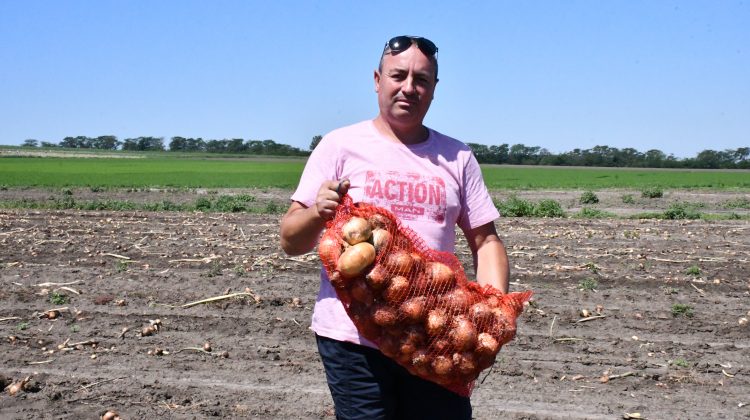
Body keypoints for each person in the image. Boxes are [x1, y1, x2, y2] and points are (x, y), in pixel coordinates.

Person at [279, 35, 510, 420]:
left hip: (435, 334)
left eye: (421, 79)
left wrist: (493, 308)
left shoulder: (458, 157)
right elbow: (290, 240)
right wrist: (318, 212)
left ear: (434, 89)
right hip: (353, 339)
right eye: (398, 75)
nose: (409, 88)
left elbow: (485, 241)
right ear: (376, 79)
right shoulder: (339, 146)